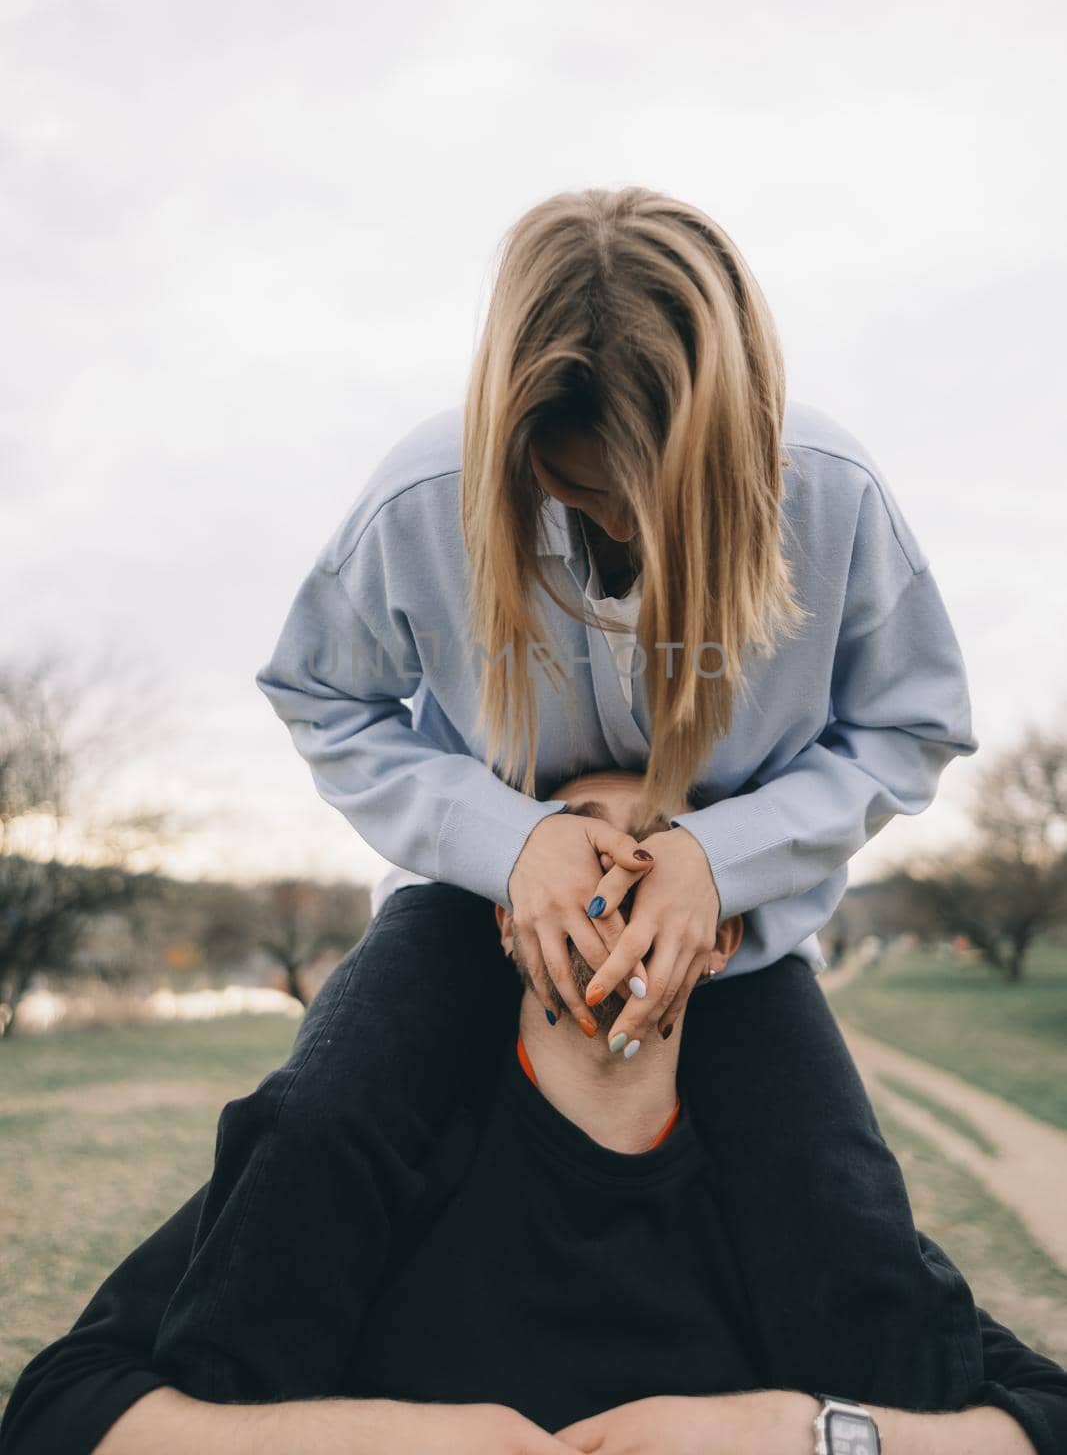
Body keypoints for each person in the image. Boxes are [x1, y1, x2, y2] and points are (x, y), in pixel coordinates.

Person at [150, 187, 982, 1407]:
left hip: (724, 930)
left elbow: (911, 724)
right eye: (584, 492)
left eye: (657, 497)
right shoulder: (419, 499)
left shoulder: (834, 494)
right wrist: (511, 840)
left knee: (837, 1203)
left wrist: (717, 857)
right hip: (467, 902)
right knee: (314, 1132)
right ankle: (209, 1414)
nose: (624, 528)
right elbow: (320, 697)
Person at [2, 783, 1065, 1455]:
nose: (612, 873)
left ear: (720, 934)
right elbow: (54, 1411)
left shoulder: (790, 1193)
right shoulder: (366, 1161)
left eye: (658, 841)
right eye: (571, 837)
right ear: (506, 913)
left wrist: (792, 1431)